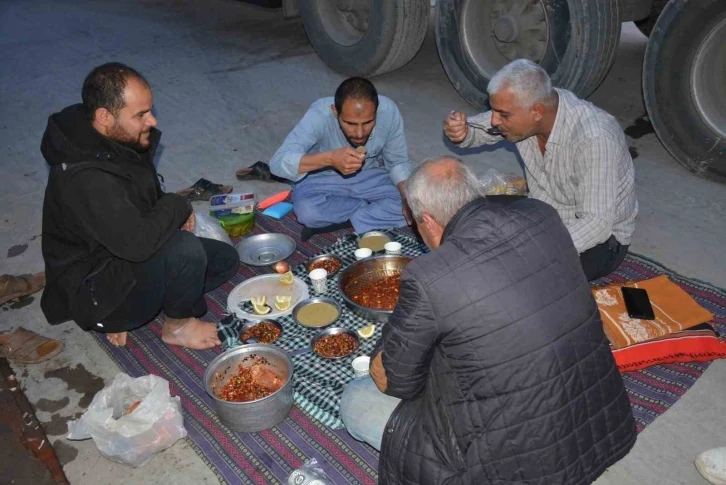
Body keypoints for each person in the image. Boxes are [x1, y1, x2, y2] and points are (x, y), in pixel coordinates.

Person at [340, 157, 637, 485]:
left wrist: (392, 340)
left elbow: (397, 382)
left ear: (426, 220)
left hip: (514, 468)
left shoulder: (430, 276)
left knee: (358, 398)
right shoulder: (542, 215)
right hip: (598, 430)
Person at [40, 62, 239, 349]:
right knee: (184, 249)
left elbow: (142, 205)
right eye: (141, 115)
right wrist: (176, 205)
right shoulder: (85, 178)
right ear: (104, 116)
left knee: (223, 260)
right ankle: (176, 326)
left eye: (150, 111)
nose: (153, 121)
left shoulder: (110, 137)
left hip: (122, 252)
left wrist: (166, 210)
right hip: (94, 286)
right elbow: (139, 244)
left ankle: (138, 312)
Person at [444, 59, 638, 281]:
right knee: (466, 214)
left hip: (600, 243)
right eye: (494, 111)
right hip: (543, 215)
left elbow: (596, 225)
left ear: (537, 111)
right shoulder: (530, 109)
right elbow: (476, 131)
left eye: (503, 115)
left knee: (518, 278)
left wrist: (536, 248)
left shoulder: (595, 139)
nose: (495, 121)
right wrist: (462, 131)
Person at [268, 77, 412, 240]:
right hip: (322, 179)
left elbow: (397, 162)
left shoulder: (389, 111)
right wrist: (329, 159)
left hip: (370, 176)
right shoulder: (319, 115)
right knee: (307, 213)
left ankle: (349, 219)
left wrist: (408, 199)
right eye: (350, 123)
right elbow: (277, 163)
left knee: (418, 204)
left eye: (368, 122)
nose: (359, 134)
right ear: (335, 112)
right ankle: (370, 212)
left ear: (376, 112)